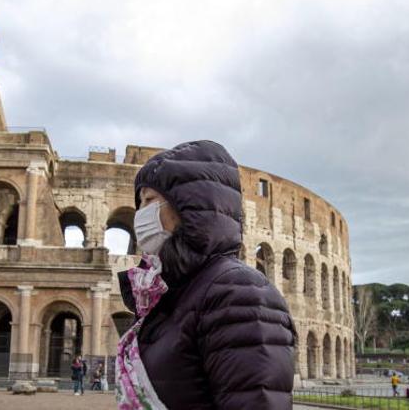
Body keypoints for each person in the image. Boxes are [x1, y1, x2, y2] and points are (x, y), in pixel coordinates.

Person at [116, 141, 296, 409]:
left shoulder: (239, 292)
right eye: (139, 202)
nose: (141, 214)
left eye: (150, 201)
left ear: (189, 206)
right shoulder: (169, 294)